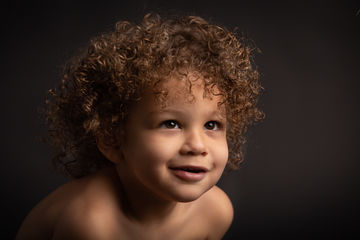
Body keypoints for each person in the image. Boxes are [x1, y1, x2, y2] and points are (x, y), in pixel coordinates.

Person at [16, 13, 263, 239]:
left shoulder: (215, 213)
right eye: (172, 123)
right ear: (112, 140)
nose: (197, 145)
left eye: (212, 124)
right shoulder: (90, 224)